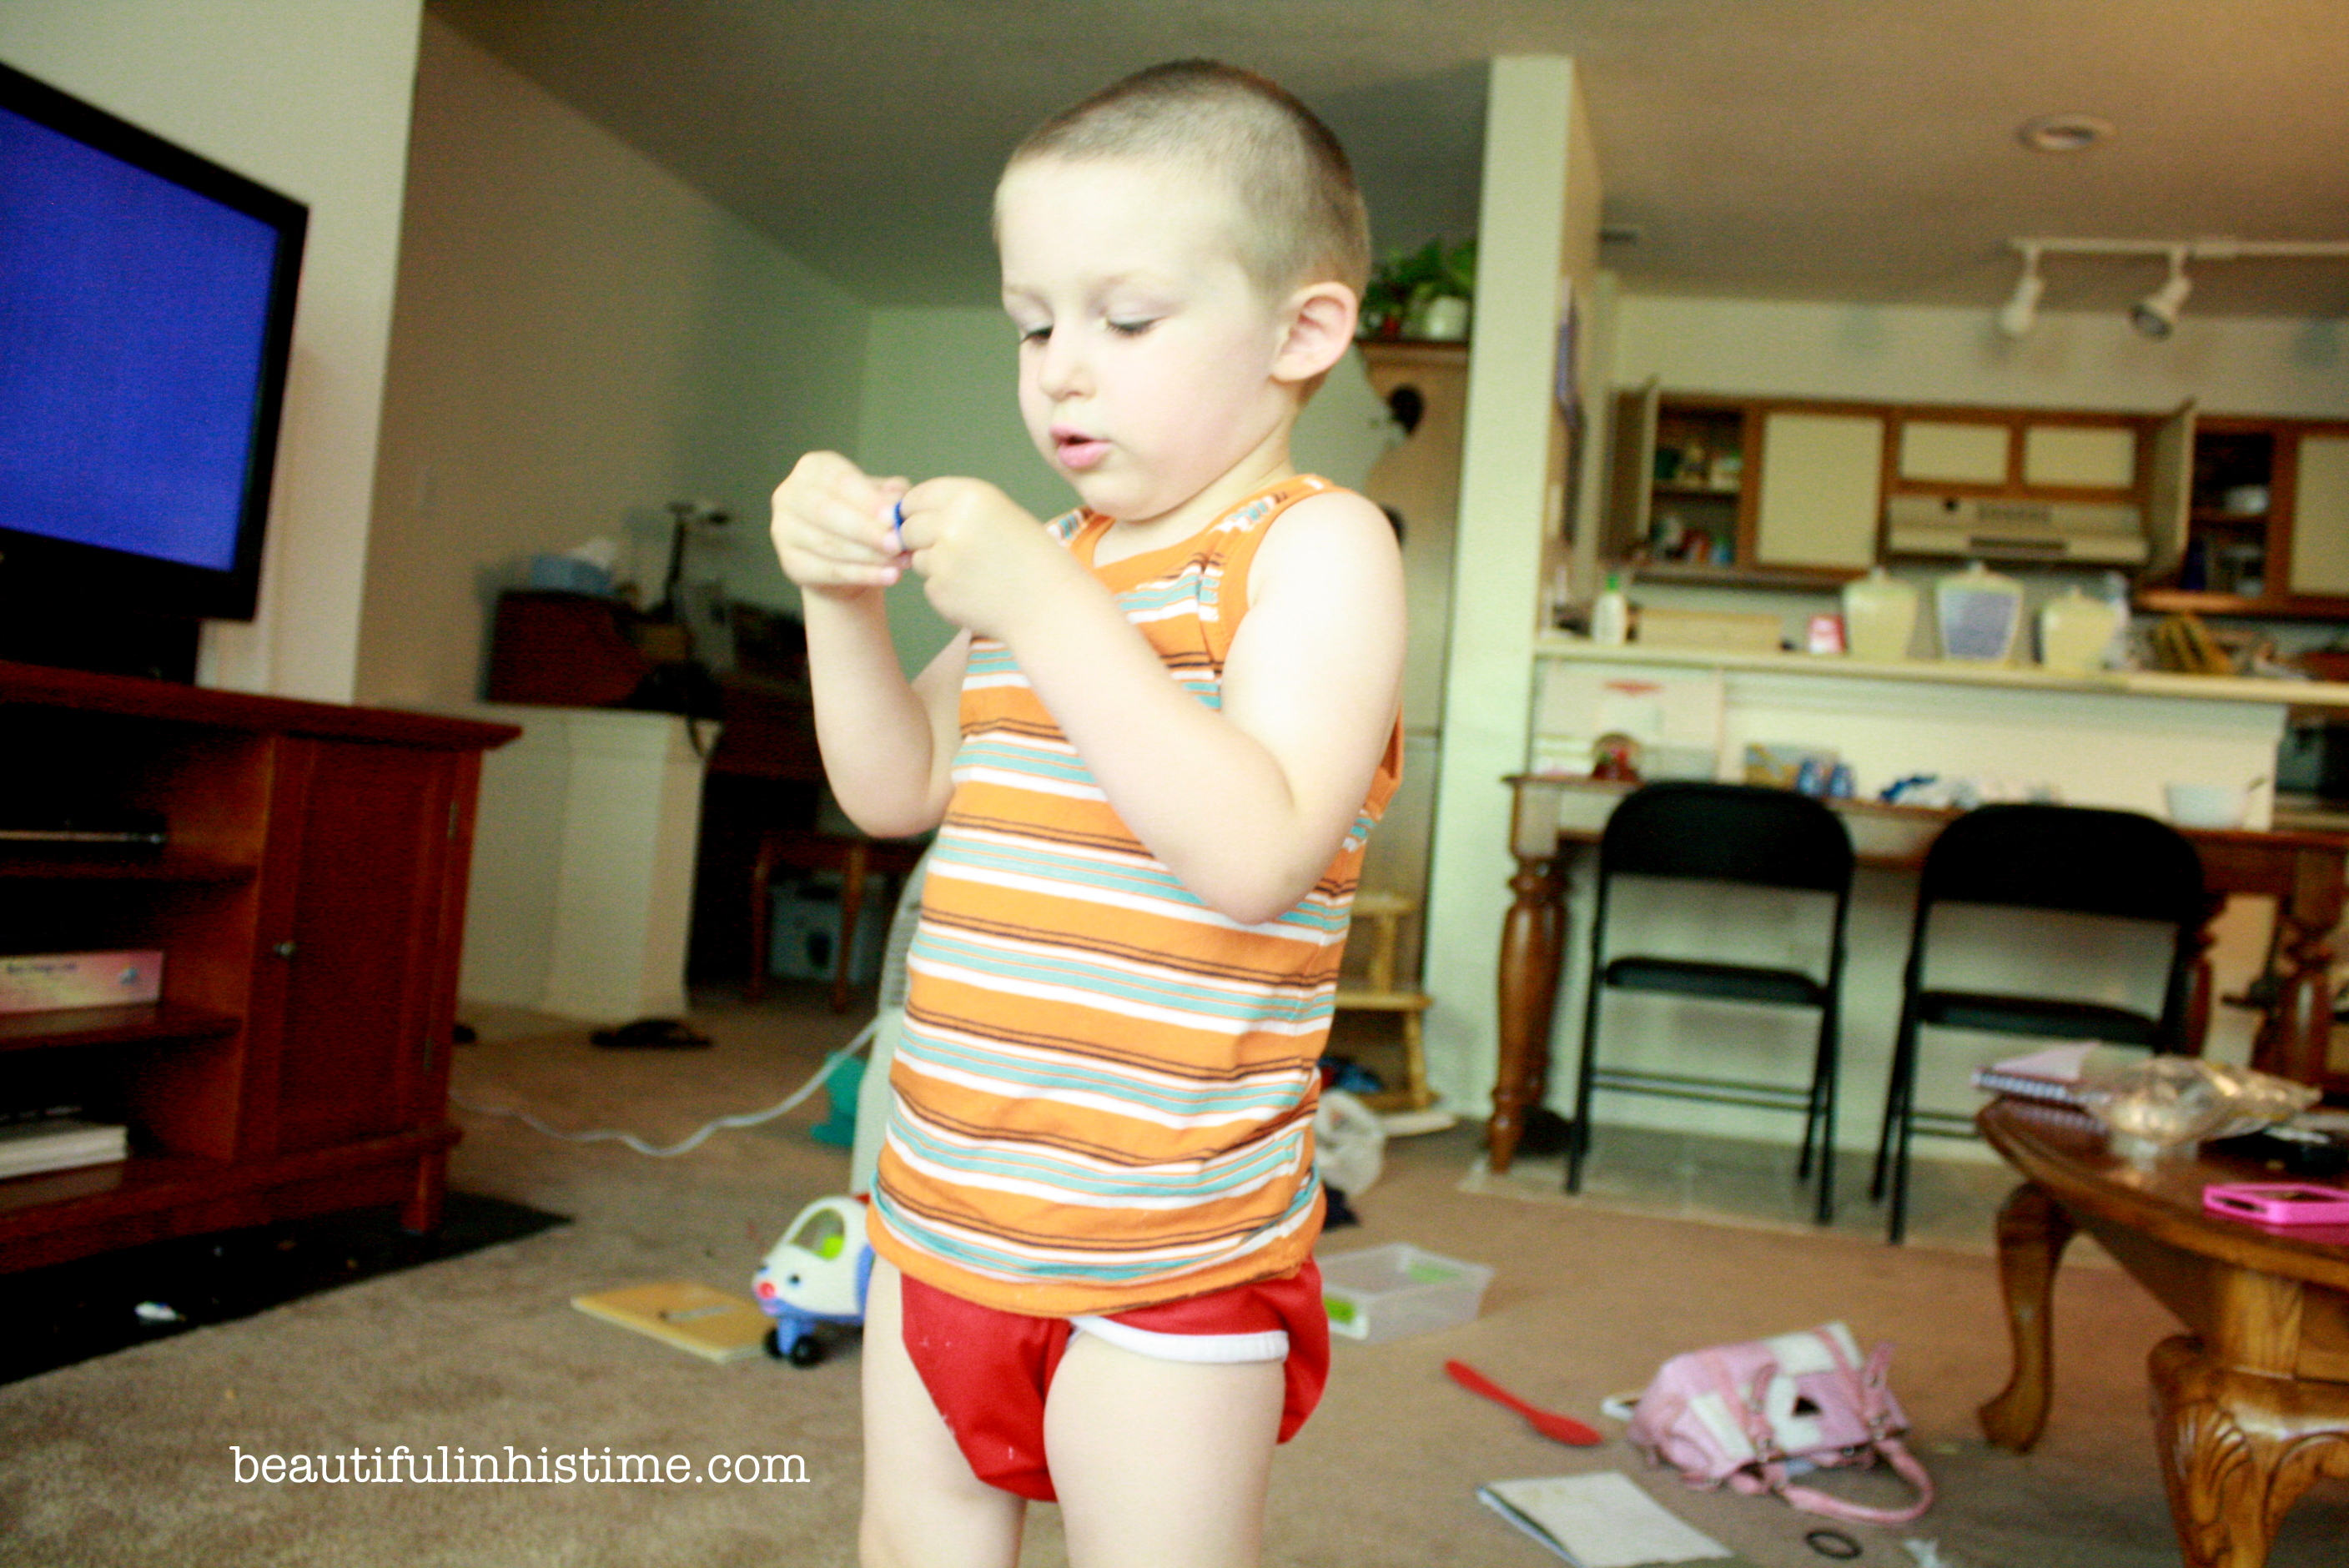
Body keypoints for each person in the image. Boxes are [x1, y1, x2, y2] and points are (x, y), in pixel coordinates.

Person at [768, 58, 1406, 1568]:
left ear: (1302, 330)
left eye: (1125, 320)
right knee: (916, 1535)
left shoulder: (1317, 549)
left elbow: (1254, 854)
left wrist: (1048, 606)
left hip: (1168, 1243)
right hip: (941, 1205)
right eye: (1033, 323)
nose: (1062, 367)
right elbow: (893, 787)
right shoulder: (1054, 554)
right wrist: (835, 603)